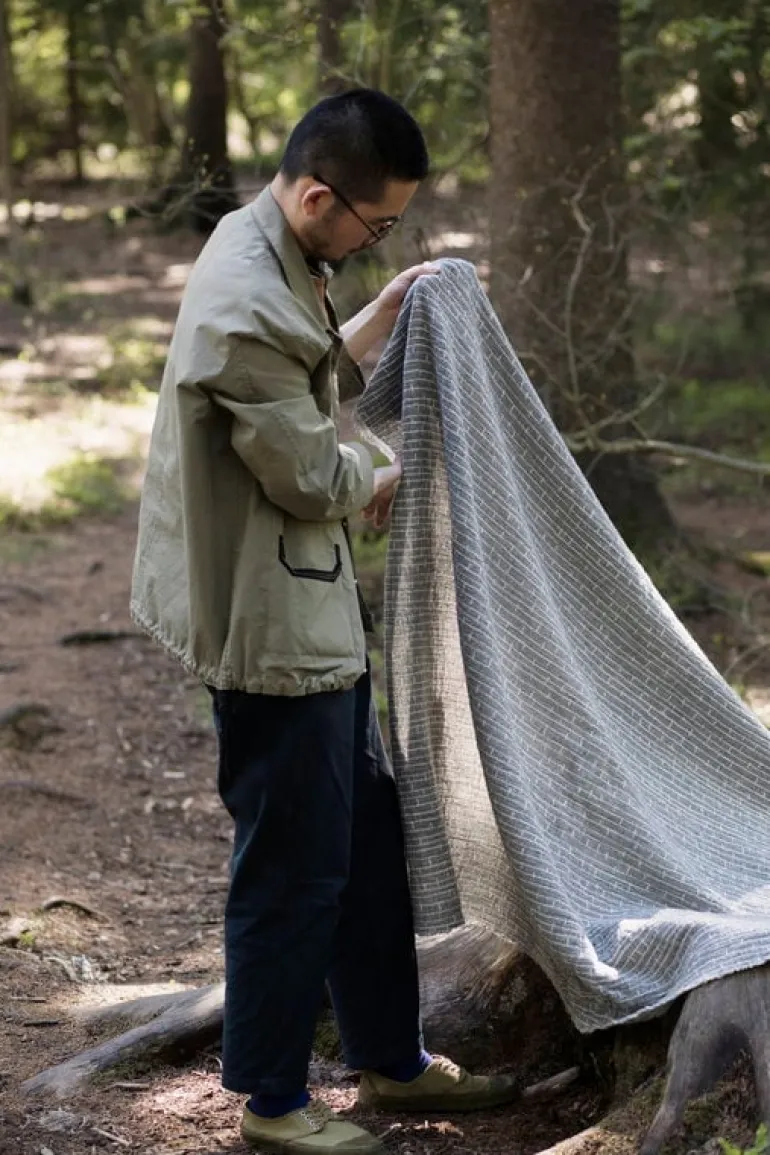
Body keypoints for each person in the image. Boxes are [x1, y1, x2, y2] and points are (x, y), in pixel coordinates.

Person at [131, 88, 518, 1154]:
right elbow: (305, 468)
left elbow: (298, 380)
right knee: (294, 864)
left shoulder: (264, 247)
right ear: (317, 195)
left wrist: (384, 304)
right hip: (270, 623)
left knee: (361, 838)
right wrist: (378, 471)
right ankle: (266, 1099)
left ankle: (390, 1061)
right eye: (375, 225)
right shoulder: (246, 296)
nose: (375, 239)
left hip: (309, 607)